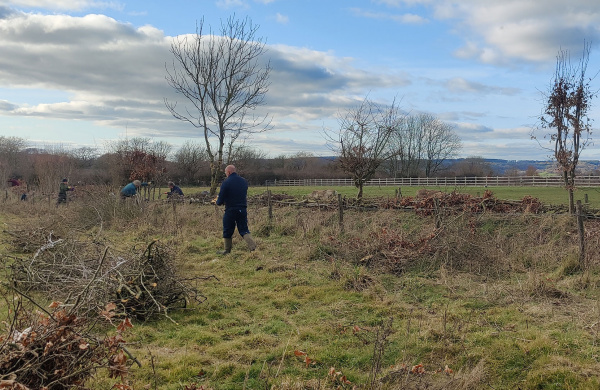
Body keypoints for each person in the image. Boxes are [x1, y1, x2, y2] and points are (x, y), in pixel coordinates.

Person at [215, 165, 256, 254]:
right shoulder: (244, 181)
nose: (226, 174)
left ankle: (227, 250)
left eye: (226, 173)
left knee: (227, 229)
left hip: (230, 210)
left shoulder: (226, 182)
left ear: (228, 172)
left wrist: (218, 202)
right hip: (242, 209)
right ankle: (253, 247)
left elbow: (220, 199)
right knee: (244, 229)